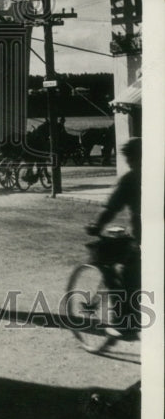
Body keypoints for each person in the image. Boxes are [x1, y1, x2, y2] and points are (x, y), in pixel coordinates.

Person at [85, 137, 142, 336]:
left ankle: (125, 324)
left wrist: (96, 226)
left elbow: (111, 208)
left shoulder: (131, 179)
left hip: (145, 239)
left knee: (127, 277)